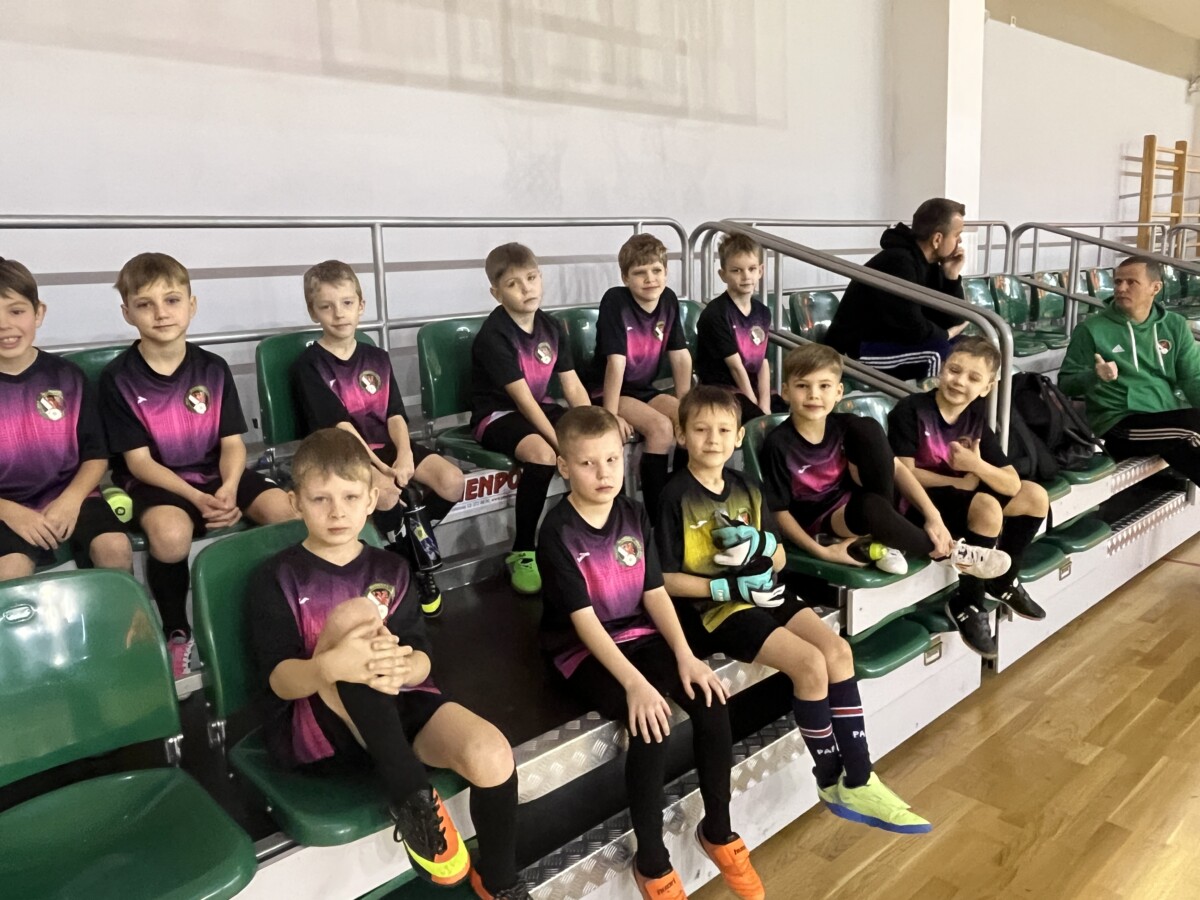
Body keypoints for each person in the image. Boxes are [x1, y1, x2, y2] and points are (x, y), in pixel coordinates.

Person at [249, 429, 527, 899]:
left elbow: (421, 657)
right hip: (322, 725)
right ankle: (410, 793)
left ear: (371, 500)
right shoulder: (276, 577)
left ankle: (501, 882)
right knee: (356, 616)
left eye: (349, 497)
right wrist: (332, 665)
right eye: (320, 499)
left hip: (396, 704)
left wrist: (404, 667)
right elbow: (280, 681)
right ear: (295, 503)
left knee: (492, 754)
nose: (337, 512)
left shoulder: (392, 568)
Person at [656, 386, 930, 834]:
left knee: (838, 652)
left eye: (723, 430)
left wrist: (761, 545)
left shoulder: (747, 485)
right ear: (682, 435)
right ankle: (831, 779)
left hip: (766, 589)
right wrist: (722, 586)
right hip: (717, 609)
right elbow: (664, 579)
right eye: (701, 430)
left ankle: (861, 778)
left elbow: (779, 558)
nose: (712, 439)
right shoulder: (674, 495)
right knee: (809, 665)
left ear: (738, 436)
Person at [537, 406, 762, 900]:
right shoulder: (556, 531)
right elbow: (584, 622)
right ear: (564, 466)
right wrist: (636, 685)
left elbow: (654, 592)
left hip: (638, 633)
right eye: (588, 463)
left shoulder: (633, 512)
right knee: (651, 724)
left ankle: (718, 830)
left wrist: (685, 655)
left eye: (611, 460)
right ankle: (653, 862)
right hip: (582, 649)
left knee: (712, 702)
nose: (603, 473)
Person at [99, 252, 296, 676]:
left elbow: (233, 444)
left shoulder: (213, 367)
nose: (161, 313)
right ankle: (176, 631)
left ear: (192, 304)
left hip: (214, 475)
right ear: (127, 312)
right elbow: (138, 462)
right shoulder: (118, 378)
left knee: (286, 512)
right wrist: (197, 497)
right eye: (145, 304)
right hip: (157, 482)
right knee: (170, 536)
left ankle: (282, 613)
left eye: (171, 300)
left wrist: (228, 488)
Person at [293, 259, 465, 616]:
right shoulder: (309, 365)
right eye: (326, 306)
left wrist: (404, 455)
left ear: (361, 305)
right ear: (313, 312)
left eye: (346, 303)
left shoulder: (377, 356)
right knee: (386, 495)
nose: (339, 314)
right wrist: (384, 471)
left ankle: (404, 541)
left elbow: (395, 414)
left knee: (452, 481)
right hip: (343, 454)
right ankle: (411, 570)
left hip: (387, 446)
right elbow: (342, 429)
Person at [759, 344, 1010, 580]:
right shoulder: (779, 443)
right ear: (786, 391)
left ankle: (889, 536)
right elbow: (779, 512)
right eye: (802, 386)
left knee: (868, 428)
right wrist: (822, 552)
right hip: (824, 522)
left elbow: (896, 467)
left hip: (867, 506)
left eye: (824, 386)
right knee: (870, 506)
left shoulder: (846, 425)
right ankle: (951, 552)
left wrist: (933, 516)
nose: (814, 395)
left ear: (839, 392)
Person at [889, 337, 1050, 659]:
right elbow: (903, 473)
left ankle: (1003, 580)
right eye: (954, 370)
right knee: (988, 507)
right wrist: (959, 480)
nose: (959, 381)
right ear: (942, 370)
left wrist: (974, 465)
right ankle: (968, 601)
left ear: (987, 387)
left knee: (1035, 496)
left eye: (973, 377)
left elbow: (1011, 483)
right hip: (918, 506)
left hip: (960, 498)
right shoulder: (911, 409)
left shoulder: (974, 420)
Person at [0, 257, 132, 581]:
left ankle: (123, 615)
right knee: (10, 570)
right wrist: (10, 512)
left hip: (71, 493)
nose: (4, 325)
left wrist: (71, 500)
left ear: (38, 312)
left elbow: (95, 456)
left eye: (16, 311)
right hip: (5, 507)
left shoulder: (68, 377)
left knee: (115, 548)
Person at [470, 243, 591, 594]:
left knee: (591, 442)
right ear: (496, 293)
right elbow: (522, 401)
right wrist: (561, 445)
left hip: (541, 405)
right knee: (543, 454)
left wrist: (595, 425)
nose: (526, 288)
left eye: (532, 278)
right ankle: (523, 550)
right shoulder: (494, 335)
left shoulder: (552, 326)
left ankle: (585, 533)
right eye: (513, 284)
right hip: (498, 414)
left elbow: (572, 386)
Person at [1059, 255, 1200, 485]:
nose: (1121, 288)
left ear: (1155, 288)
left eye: (1131, 282)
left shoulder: (1174, 325)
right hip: (1120, 423)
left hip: (1166, 420)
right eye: (1117, 282)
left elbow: (1192, 378)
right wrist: (1095, 376)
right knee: (1194, 427)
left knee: (1189, 439)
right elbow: (1066, 383)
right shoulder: (1091, 329)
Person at [587, 234, 692, 521]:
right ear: (625, 277)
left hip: (643, 388)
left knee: (689, 420)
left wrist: (684, 401)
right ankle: (656, 516)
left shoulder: (668, 299)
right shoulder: (615, 301)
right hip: (608, 391)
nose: (650, 279)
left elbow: (680, 356)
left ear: (666, 272)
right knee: (661, 428)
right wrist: (609, 416)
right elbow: (616, 362)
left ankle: (680, 501)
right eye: (640, 272)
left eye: (656, 270)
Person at [825, 198, 969, 381]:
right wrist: (947, 334)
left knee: (970, 348)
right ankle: (927, 401)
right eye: (957, 235)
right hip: (858, 349)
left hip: (895, 342)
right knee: (938, 354)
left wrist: (951, 276)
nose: (960, 241)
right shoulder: (897, 262)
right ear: (937, 239)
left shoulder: (930, 264)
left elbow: (951, 317)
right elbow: (913, 327)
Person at [694, 233, 787, 421]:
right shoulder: (715, 314)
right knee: (756, 419)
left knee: (787, 415)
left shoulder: (762, 312)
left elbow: (762, 362)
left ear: (760, 271)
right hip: (721, 391)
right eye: (736, 271)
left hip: (751, 386)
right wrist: (755, 406)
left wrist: (765, 404)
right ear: (723, 275)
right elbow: (735, 367)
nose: (746, 277)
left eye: (752, 269)